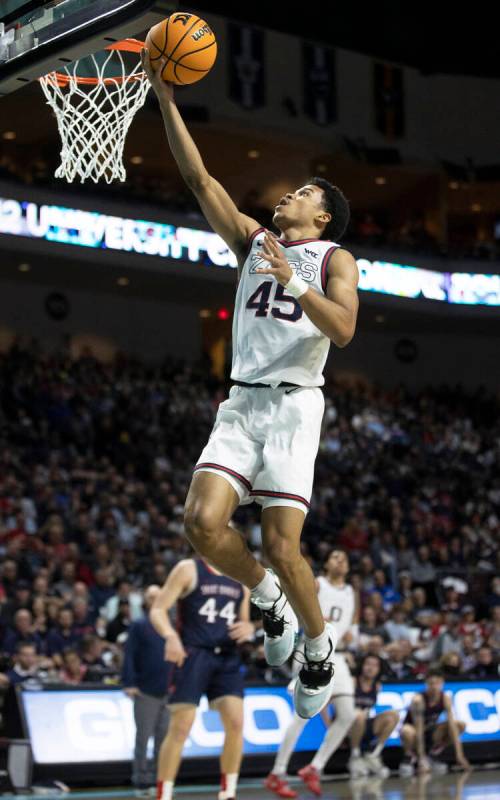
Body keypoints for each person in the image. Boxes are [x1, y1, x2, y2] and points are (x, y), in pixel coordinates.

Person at [141, 41, 359, 720]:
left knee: (283, 543)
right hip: (241, 403)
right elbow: (203, 182)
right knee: (200, 525)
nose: (285, 197)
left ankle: (318, 651)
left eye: (299, 194)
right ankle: (266, 598)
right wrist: (166, 100)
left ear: (320, 217)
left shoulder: (333, 257)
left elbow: (344, 331)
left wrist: (295, 280)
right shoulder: (253, 242)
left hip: (295, 409)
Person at [150, 557, 255, 800]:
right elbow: (157, 609)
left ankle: (228, 792)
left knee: (237, 723)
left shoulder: (240, 576)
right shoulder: (188, 568)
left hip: (227, 656)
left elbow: (244, 621)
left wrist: (248, 627)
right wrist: (170, 636)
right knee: (181, 726)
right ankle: (163, 794)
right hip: (195, 652)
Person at [264, 549, 357, 797]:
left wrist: (352, 635)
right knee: (303, 715)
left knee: (348, 714)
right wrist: (312, 618)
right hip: (311, 650)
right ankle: (278, 772)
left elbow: (352, 624)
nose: (341, 561)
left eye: (344, 558)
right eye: (336, 557)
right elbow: (295, 603)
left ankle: (315, 768)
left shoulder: (350, 592)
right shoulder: (317, 584)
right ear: (326, 563)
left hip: (337, 654)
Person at [122, 585, 171, 794]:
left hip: (170, 690)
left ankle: (158, 777)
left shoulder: (172, 625)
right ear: (146, 601)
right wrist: (129, 683)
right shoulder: (139, 625)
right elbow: (130, 655)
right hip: (145, 690)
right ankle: (140, 777)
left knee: (164, 738)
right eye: (151, 597)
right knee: (143, 736)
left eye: (159, 596)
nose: (155, 600)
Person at [399, 669, 470, 776]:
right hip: (415, 733)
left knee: (459, 725)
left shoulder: (445, 698)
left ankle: (432, 753)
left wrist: (460, 755)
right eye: (431, 683)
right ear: (426, 684)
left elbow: (453, 728)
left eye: (437, 683)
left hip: (430, 731)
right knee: (406, 731)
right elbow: (419, 730)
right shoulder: (418, 700)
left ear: (442, 683)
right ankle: (411, 756)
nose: (434, 686)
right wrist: (421, 761)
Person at [348, 654, 399, 778]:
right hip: (347, 725)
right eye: (368, 664)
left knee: (393, 715)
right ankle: (354, 757)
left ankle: (373, 755)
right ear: (362, 666)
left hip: (363, 723)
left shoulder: (377, 686)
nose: (370, 668)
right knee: (359, 715)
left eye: (374, 665)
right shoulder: (352, 682)